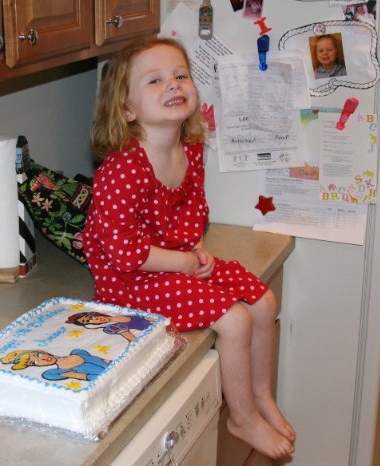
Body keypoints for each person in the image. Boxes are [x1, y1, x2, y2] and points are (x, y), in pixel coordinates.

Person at [83, 37, 296, 459]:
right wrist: (184, 261)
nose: (173, 85)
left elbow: (193, 208)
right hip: (129, 281)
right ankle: (242, 417)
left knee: (264, 302)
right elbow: (124, 252)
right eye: (155, 80)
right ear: (127, 110)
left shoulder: (190, 150)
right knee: (234, 321)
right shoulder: (122, 170)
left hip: (176, 259)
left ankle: (260, 395)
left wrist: (196, 249)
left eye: (180, 75)